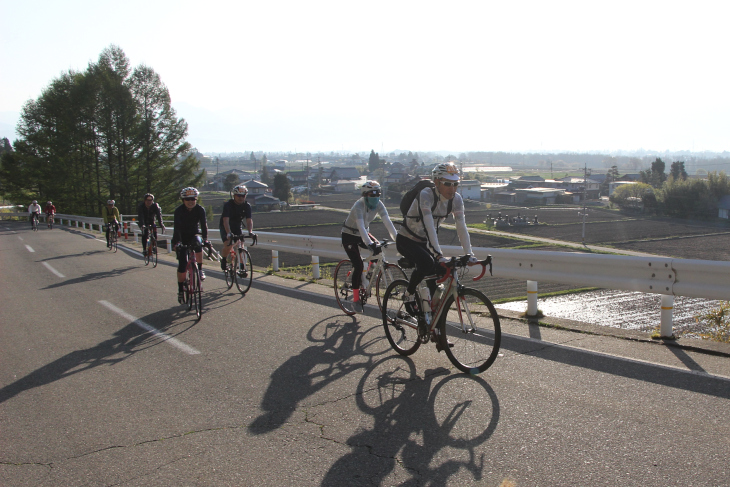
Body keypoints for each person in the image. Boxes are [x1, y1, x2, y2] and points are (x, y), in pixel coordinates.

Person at [396, 162, 477, 348]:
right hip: (407, 239)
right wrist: (439, 255)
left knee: (438, 287)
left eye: (456, 183)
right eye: (447, 183)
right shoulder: (426, 195)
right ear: (436, 182)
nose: (452, 188)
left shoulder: (456, 200)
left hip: (424, 243)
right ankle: (408, 294)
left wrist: (469, 254)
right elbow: (429, 225)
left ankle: (436, 331)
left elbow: (461, 227)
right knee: (426, 264)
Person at [341, 180, 398, 310]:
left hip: (363, 233)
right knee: (359, 264)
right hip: (350, 235)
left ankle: (368, 275)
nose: (376, 197)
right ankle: (355, 300)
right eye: (372, 195)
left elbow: (387, 222)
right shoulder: (358, 206)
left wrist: (397, 238)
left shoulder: (379, 204)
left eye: (378, 194)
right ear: (365, 195)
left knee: (378, 251)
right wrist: (369, 243)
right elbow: (360, 226)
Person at [171, 187, 209, 304]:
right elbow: (177, 228)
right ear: (183, 200)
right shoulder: (179, 211)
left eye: (193, 199)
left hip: (193, 234)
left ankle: (200, 269)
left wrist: (206, 239)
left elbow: (203, 225)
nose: (191, 201)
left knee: (198, 242)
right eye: (187, 199)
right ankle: (181, 289)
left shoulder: (200, 209)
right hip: (181, 236)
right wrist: (178, 242)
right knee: (182, 265)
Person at [218, 184, 255, 274]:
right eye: (238, 195)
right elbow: (225, 220)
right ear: (234, 195)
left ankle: (242, 267)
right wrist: (228, 233)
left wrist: (250, 232)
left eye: (243, 196)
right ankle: (224, 259)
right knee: (228, 244)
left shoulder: (247, 206)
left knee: (240, 246)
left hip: (237, 226)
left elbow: (249, 220)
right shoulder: (228, 205)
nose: (241, 198)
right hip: (226, 226)